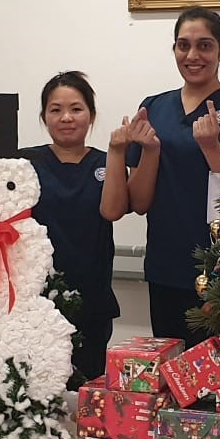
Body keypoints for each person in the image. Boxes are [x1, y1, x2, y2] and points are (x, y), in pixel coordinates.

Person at [127, 7, 220, 344]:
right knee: (166, 378)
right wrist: (148, 150)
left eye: (205, 45)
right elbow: (138, 201)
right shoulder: (154, 107)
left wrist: (212, 148)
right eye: (183, 45)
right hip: (165, 263)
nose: (193, 55)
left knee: (215, 382)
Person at [25, 71, 140, 385]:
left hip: (92, 301)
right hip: (34, 303)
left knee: (87, 396)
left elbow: (113, 210)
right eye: (55, 109)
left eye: (76, 109)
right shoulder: (23, 163)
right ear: (44, 116)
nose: (66, 117)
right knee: (37, 390)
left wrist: (118, 152)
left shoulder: (108, 161)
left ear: (91, 115)